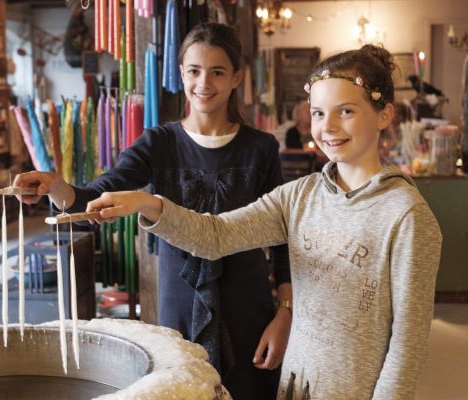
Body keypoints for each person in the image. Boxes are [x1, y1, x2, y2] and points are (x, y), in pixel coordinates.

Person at [86, 44, 442, 399]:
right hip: (294, 384)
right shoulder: (300, 195)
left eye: (345, 111)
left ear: (383, 115)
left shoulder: (406, 215)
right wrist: (150, 204)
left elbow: (408, 344)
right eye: (318, 113)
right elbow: (216, 235)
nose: (328, 127)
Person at [14, 22, 292, 399]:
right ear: (181, 74)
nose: (203, 83)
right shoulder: (158, 143)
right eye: (194, 71)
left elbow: (282, 242)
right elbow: (92, 197)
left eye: (217, 72)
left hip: (248, 305)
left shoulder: (260, 148)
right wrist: (54, 185)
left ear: (237, 77)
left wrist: (284, 314)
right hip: (178, 301)